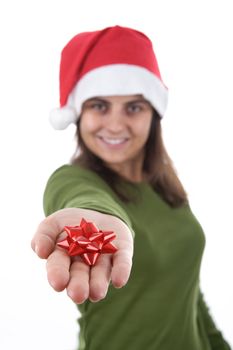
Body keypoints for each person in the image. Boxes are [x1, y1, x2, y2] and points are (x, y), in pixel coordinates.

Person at [31, 25, 231, 350]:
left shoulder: (168, 188)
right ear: (78, 114)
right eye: (99, 105)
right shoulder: (73, 180)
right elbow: (83, 199)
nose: (115, 124)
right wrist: (98, 215)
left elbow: (188, 295)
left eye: (134, 107)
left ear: (154, 114)